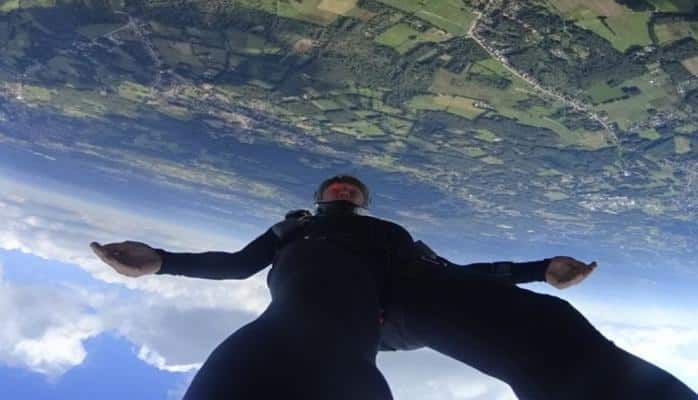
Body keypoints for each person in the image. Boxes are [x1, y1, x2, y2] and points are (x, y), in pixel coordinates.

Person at [90, 174, 697, 400]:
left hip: (410, 296)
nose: (343, 189)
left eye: (351, 188)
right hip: (327, 296)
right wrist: (161, 262)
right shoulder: (291, 229)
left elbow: (463, 276)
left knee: (549, 329)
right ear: (321, 198)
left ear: (361, 201)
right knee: (305, 353)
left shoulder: (391, 233)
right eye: (336, 187)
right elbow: (236, 265)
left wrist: (539, 270)